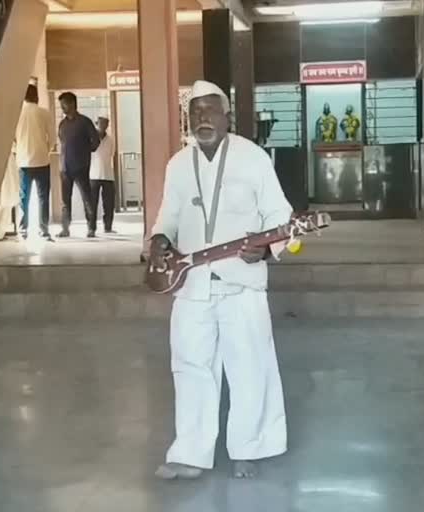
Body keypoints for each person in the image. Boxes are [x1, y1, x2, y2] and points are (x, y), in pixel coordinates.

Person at [150, 80, 293, 481]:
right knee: (191, 366)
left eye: (211, 110)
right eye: (195, 111)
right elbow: (168, 217)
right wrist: (160, 241)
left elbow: (279, 217)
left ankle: (249, 448)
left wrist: (266, 250)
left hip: (241, 281)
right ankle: (190, 453)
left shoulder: (253, 158)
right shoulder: (178, 164)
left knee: (249, 367)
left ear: (227, 116)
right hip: (192, 282)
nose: (202, 118)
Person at [14, 84, 56, 240]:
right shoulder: (44, 113)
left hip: (23, 162)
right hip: (42, 161)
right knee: (43, 197)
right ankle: (43, 229)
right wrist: (45, 150)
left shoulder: (17, 114)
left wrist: (17, 150)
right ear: (36, 96)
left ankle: (23, 229)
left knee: (24, 197)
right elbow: (52, 138)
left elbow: (11, 139)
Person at [57, 92, 100, 238]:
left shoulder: (84, 122)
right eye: (61, 105)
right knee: (65, 201)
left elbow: (95, 142)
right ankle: (65, 228)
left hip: (81, 167)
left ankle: (91, 228)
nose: (62, 107)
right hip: (65, 168)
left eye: (64, 104)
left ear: (72, 104)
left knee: (87, 199)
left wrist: (84, 151)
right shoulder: (62, 124)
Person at [89, 117, 117, 234]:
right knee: (92, 204)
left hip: (108, 175)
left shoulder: (110, 139)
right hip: (93, 175)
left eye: (106, 124)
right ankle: (91, 228)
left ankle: (108, 227)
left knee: (109, 203)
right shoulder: (90, 139)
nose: (103, 126)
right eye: (101, 124)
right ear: (96, 124)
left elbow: (112, 154)